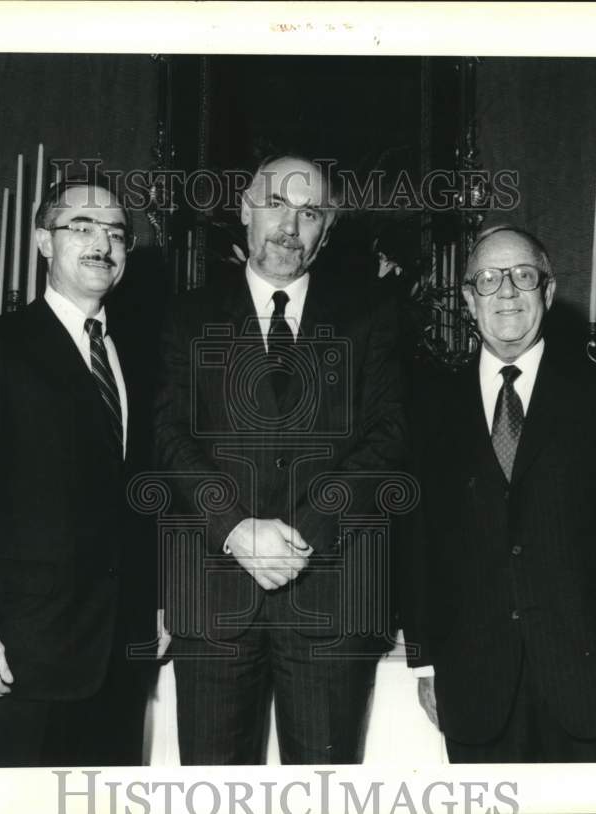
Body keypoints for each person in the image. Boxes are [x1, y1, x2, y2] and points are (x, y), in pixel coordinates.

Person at [154, 155, 407, 764]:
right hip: (213, 598)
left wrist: (303, 535)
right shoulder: (183, 315)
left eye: (310, 211)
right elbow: (166, 438)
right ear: (244, 208)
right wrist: (236, 530)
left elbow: (390, 438)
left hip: (331, 592)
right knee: (213, 801)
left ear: (328, 228)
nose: (290, 225)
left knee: (323, 793)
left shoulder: (372, 316)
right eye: (276, 204)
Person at [405, 225, 596, 763]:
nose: (506, 291)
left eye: (523, 276)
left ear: (547, 293)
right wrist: (424, 662)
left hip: (594, 684)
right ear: (467, 299)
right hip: (475, 690)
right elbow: (417, 541)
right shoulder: (430, 406)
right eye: (487, 279)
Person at [0, 172, 159, 767]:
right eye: (80, 226)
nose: (100, 243)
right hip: (20, 651)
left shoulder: (138, 353)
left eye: (115, 231)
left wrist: (155, 604)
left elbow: (140, 497)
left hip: (118, 651)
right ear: (42, 241)